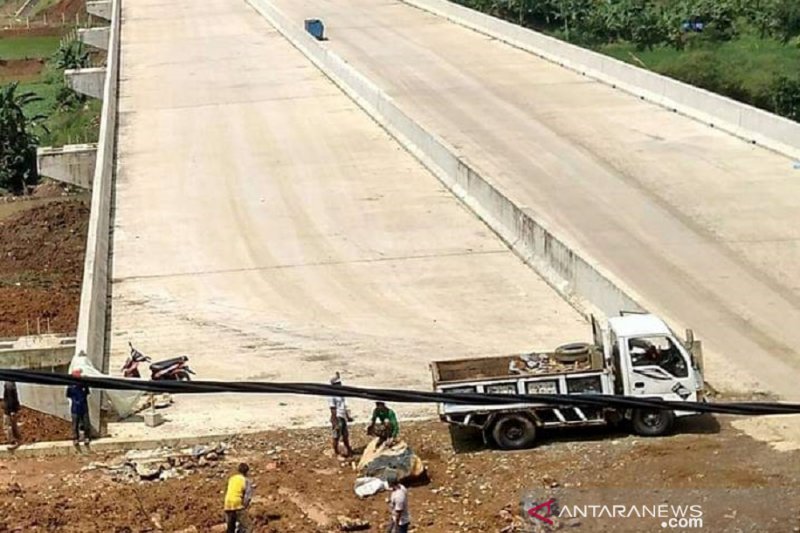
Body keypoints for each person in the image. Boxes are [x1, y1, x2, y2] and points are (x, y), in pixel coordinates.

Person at [328, 372, 354, 458]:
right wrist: (335, 422)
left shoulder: (341, 393)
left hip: (343, 416)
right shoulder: (331, 395)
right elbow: (333, 409)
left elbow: (344, 405)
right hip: (337, 417)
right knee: (336, 436)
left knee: (345, 435)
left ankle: (348, 449)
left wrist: (348, 416)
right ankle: (336, 452)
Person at [224, 462, 253, 533]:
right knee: (248, 526)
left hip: (227, 504)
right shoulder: (246, 480)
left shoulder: (231, 478)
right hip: (237, 504)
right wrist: (244, 506)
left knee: (230, 528)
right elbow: (247, 497)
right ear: (247, 472)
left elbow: (228, 491)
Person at [66, 369, 91, 446]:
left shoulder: (84, 384)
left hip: (83, 407)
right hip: (75, 408)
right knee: (75, 424)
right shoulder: (70, 386)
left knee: (86, 423)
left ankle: (87, 437)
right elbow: (68, 395)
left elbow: (87, 393)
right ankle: (75, 438)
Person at [3, 381, 21, 449]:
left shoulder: (8, 384)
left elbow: (10, 398)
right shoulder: (12, 383)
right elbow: (15, 397)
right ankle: (18, 439)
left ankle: (12, 442)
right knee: (14, 425)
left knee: (7, 426)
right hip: (13, 409)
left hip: (9, 409)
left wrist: (11, 410)